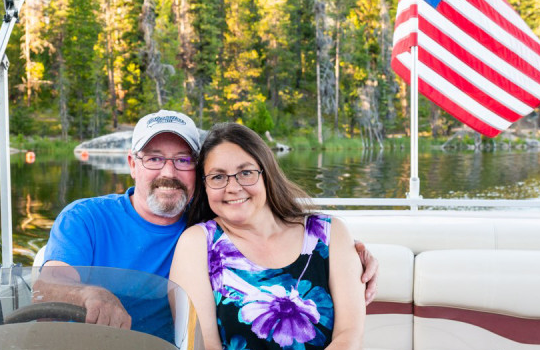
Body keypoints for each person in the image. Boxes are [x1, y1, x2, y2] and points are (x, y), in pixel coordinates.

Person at [40, 110, 380, 329]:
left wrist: (349, 254)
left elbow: (279, 237)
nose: (168, 172)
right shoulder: (86, 218)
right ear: (132, 163)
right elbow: (49, 281)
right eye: (154, 158)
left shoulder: (209, 225)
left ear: (198, 171)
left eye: (183, 160)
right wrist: (91, 295)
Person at [169, 123, 392, 350]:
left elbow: (351, 340)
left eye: (245, 172)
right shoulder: (198, 244)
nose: (232, 187)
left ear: (267, 171)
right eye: (217, 177)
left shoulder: (331, 234)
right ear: (205, 186)